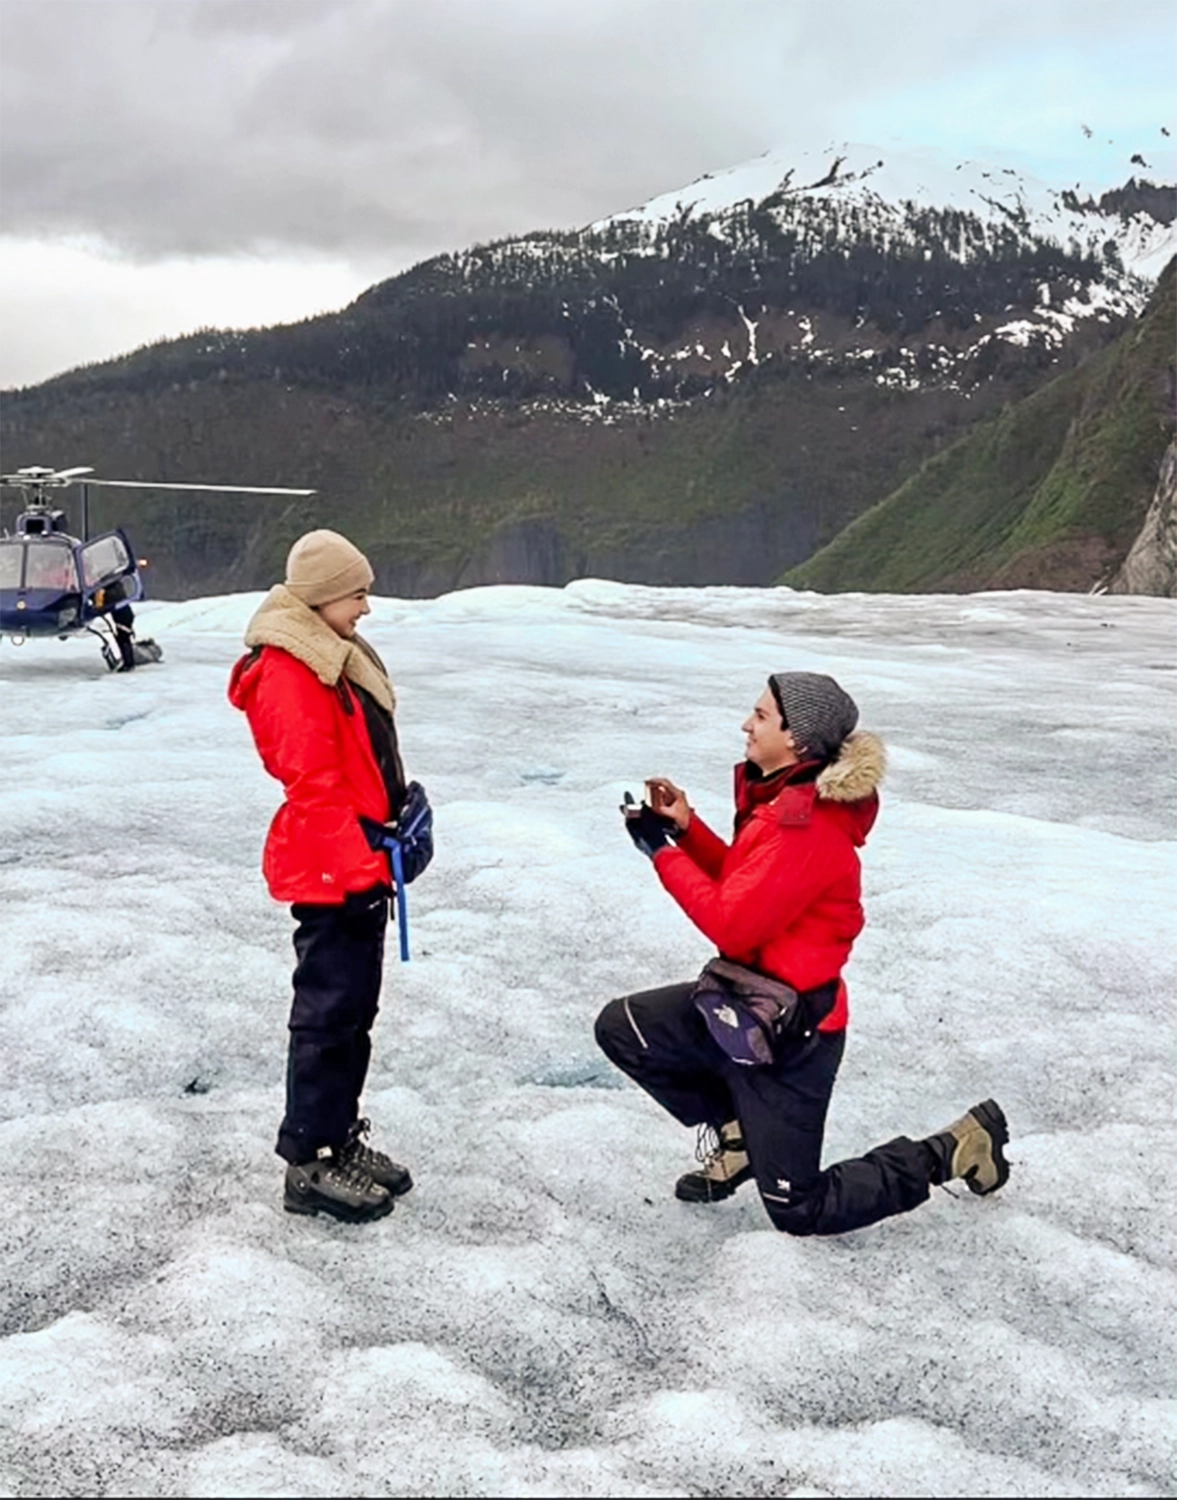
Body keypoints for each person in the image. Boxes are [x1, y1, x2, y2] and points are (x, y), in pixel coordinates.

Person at [595, 671, 1009, 1237]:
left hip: (794, 1036)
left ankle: (954, 1150)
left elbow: (730, 923)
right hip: (741, 1002)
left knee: (799, 1209)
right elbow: (749, 887)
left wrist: (660, 854)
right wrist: (686, 832)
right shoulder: (784, 802)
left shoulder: (806, 826)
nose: (747, 723)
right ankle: (739, 1135)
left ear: (798, 740)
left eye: (761, 716)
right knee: (625, 1029)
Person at [228, 529, 416, 1224]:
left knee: (351, 1014)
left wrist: (396, 820)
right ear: (323, 596)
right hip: (331, 866)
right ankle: (307, 1163)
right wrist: (370, 855)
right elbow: (313, 784)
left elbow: (357, 768)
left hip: (357, 860)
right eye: (357, 593)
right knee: (327, 1016)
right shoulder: (289, 668)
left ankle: (337, 1138)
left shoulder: (328, 654)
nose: (366, 607)